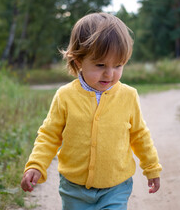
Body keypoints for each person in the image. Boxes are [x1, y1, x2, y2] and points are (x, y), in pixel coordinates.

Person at [20, 12, 162, 209]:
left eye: (118, 65)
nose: (109, 73)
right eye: (100, 65)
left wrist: (151, 167)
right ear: (78, 61)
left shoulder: (128, 96)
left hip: (116, 187)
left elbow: (139, 135)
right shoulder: (65, 96)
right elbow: (49, 135)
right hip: (74, 188)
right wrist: (36, 165)